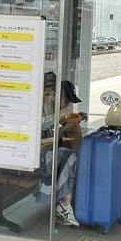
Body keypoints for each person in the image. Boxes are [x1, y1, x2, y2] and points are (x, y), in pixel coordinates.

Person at [39, 75, 86, 227]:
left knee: (71, 154)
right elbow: (44, 133)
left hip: (44, 153)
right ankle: (65, 204)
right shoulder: (39, 109)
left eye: (53, 94)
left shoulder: (51, 110)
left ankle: (66, 203)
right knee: (71, 157)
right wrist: (64, 125)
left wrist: (70, 122)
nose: (51, 98)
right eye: (48, 94)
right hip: (34, 158)